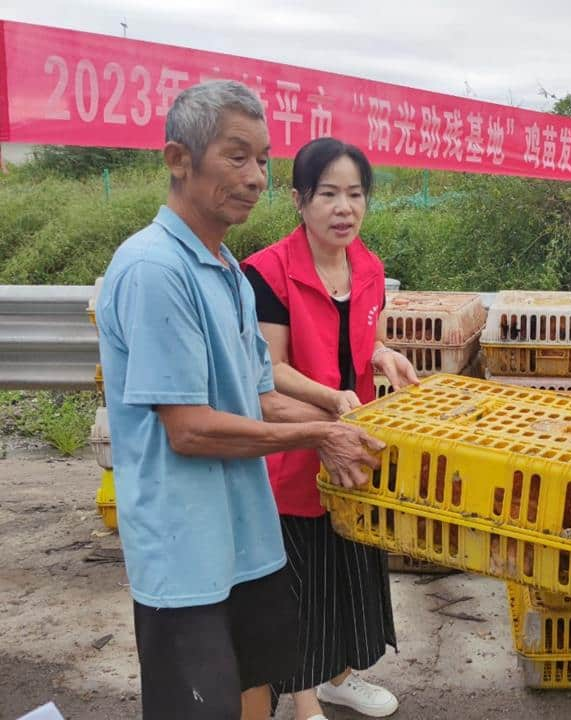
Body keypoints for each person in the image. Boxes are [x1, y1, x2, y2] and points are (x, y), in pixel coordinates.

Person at [96, 80, 384, 720]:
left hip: (247, 538)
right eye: (236, 156)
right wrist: (318, 436)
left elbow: (264, 393)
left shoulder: (225, 270)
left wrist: (341, 414)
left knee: (257, 685)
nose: (255, 177)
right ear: (178, 159)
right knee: (199, 704)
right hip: (185, 553)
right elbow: (191, 430)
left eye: (262, 159)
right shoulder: (154, 270)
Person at [242, 137, 417, 720]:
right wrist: (332, 401)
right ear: (298, 199)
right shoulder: (268, 273)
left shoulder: (367, 265)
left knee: (348, 569)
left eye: (355, 194)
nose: (344, 208)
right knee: (301, 578)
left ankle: (340, 676)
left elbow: (348, 345)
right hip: (297, 440)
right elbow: (270, 372)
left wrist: (382, 355)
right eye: (328, 195)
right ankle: (302, 699)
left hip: (352, 439)